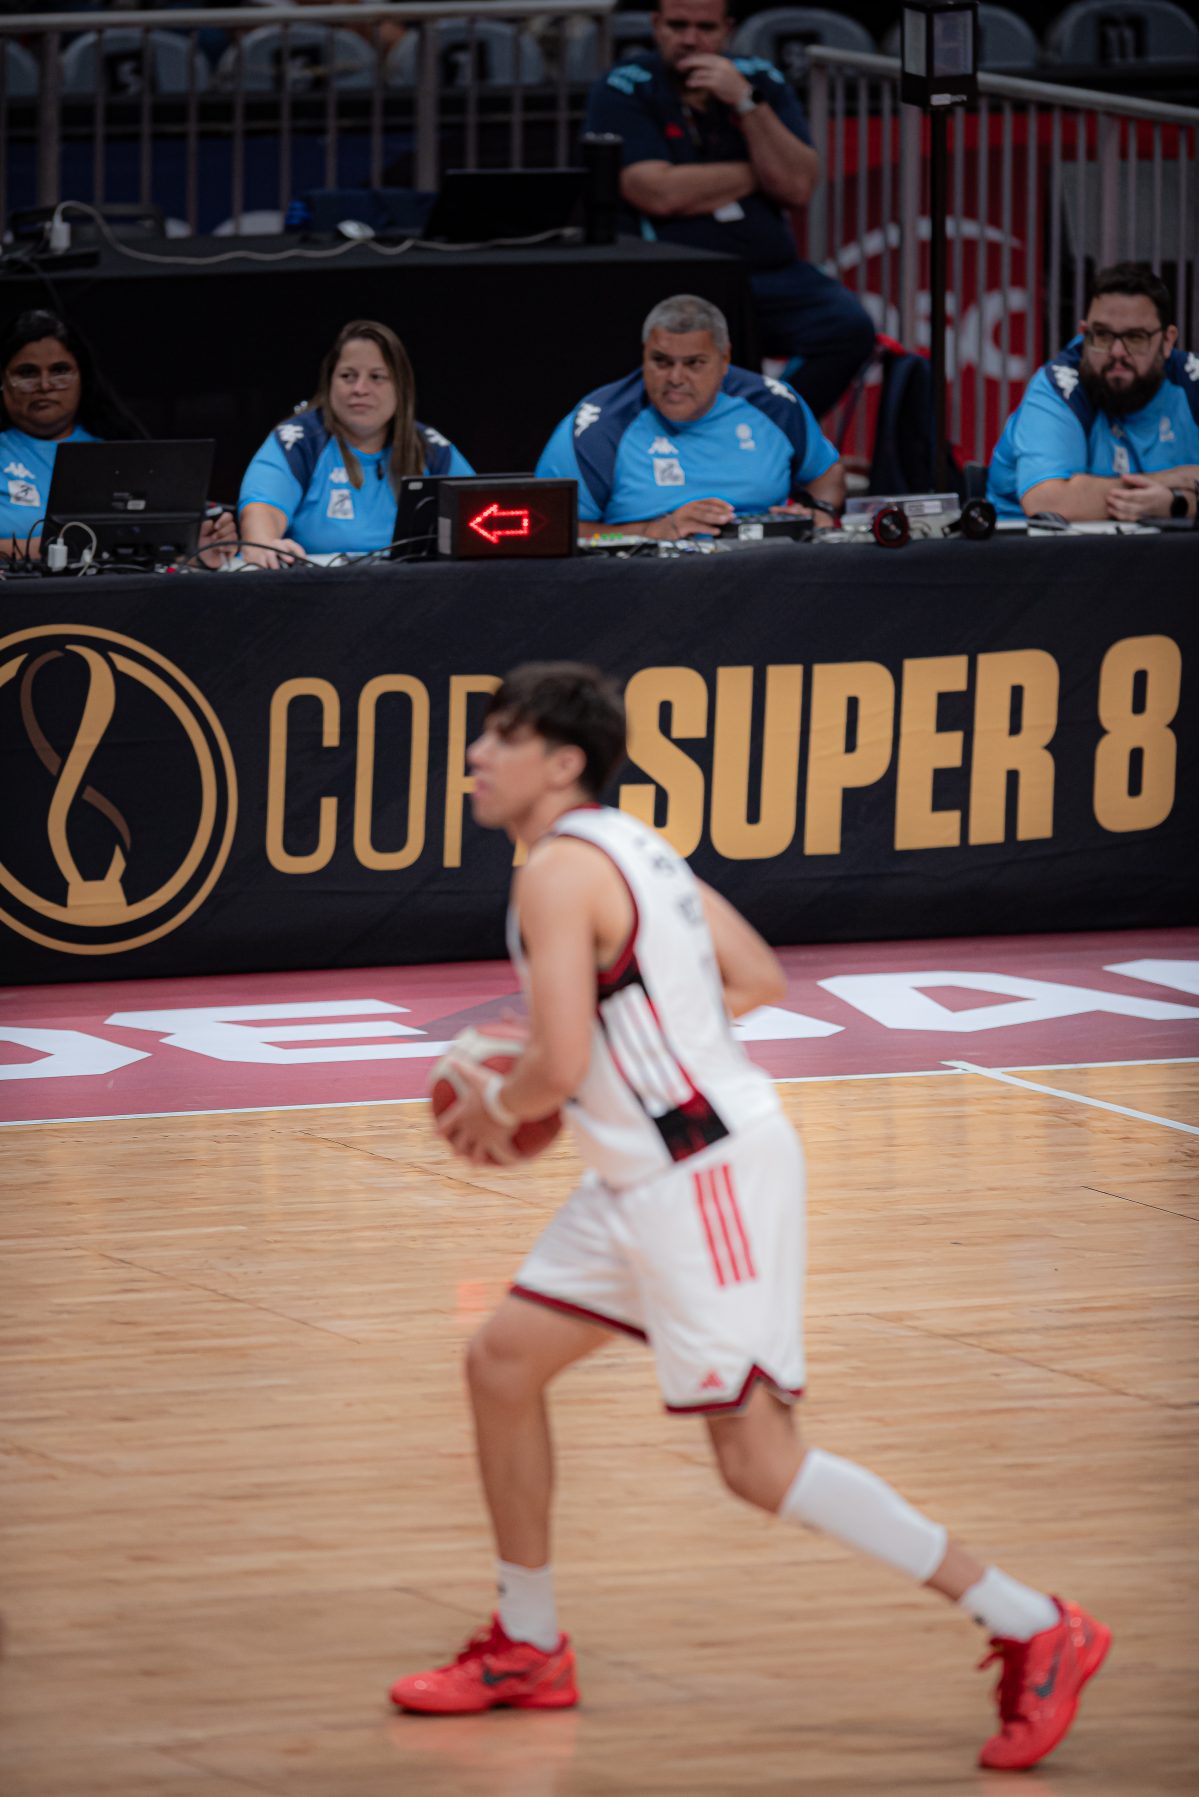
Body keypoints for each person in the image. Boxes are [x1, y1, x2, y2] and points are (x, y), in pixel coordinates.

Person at [388, 661, 1112, 1772]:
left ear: (564, 761)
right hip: (643, 1171)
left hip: (703, 1178)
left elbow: (560, 1065)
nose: (476, 756)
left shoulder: (558, 874)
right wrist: (644, 1054)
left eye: (501, 738)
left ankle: (1033, 1623)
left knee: (758, 1463)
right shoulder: (638, 846)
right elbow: (758, 974)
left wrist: (498, 1104)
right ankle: (527, 1645)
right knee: (501, 1363)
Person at [584, 0, 875, 420]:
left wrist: (746, 102)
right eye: (677, 25)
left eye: (705, 27)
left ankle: (761, 430)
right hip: (676, 275)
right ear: (656, 25)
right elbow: (657, 192)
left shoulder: (759, 80)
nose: (690, 39)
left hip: (770, 273)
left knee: (848, 327)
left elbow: (796, 185)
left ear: (728, 30)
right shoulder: (624, 85)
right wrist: (760, 170)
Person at [535, 294, 844, 540]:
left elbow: (827, 473)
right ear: (643, 354)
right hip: (643, 584)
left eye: (694, 363)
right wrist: (650, 532)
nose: (675, 378)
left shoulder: (774, 405)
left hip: (767, 578)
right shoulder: (597, 426)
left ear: (724, 359)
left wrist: (820, 511)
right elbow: (551, 531)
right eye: (661, 361)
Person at [0, 308, 235, 565]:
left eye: (60, 371)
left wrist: (195, 550)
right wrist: (65, 547)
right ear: (3, 380)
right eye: (27, 373)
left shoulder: (123, 455)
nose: (45, 385)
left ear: (82, 378)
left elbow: (145, 548)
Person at [237, 319, 473, 566]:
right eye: (348, 376)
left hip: (414, 587)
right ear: (330, 381)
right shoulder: (298, 442)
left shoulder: (431, 447)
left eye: (377, 377)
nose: (360, 388)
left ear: (401, 387)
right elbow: (263, 510)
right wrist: (263, 543)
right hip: (317, 585)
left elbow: (476, 511)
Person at [988, 262, 1199, 522]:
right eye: (1102, 335)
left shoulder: (1192, 381)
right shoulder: (1059, 387)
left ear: (1167, 341)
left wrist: (1178, 504)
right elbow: (1048, 502)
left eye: (1135, 337)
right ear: (1084, 333)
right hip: (1035, 544)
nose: (1117, 352)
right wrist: (1178, 483)